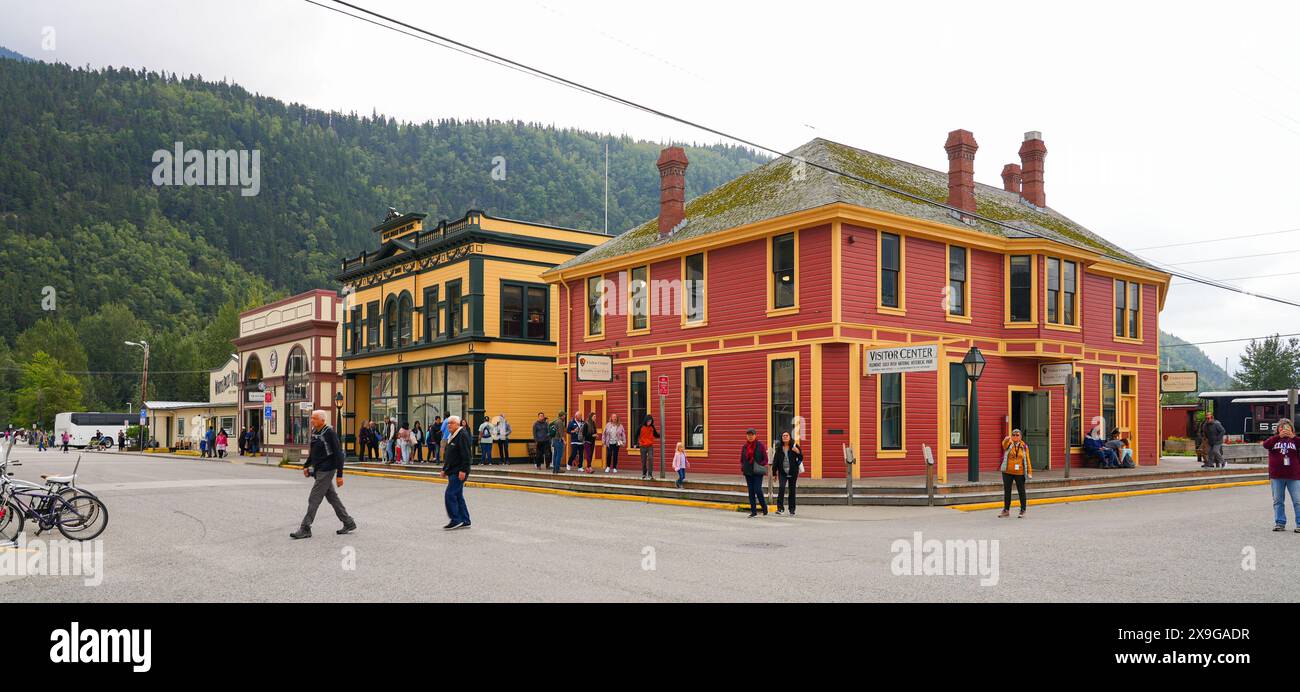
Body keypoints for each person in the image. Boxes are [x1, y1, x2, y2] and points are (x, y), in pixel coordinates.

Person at [290, 410, 356, 539]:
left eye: (314, 418)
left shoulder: (329, 433)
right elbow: (313, 452)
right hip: (319, 469)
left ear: (322, 420)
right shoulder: (315, 432)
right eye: (311, 418)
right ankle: (348, 522)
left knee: (314, 498)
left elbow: (339, 454)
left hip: (327, 470)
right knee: (332, 498)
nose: (311, 420)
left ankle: (305, 528)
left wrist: (340, 475)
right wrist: (306, 465)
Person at [1261, 419, 1300, 532]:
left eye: (1287, 427)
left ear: (1292, 429)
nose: (1285, 430)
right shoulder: (1273, 440)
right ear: (1278, 429)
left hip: (1294, 475)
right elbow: (1265, 445)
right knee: (1278, 501)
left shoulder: (1295, 440)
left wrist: (1293, 437)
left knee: (1297, 501)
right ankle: (1280, 523)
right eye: (1282, 428)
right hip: (1277, 476)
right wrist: (1278, 436)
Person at [441, 415, 472, 530]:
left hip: (458, 471)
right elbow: (450, 455)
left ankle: (456, 519)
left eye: (452, 423)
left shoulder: (462, 435)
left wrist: (463, 470)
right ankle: (465, 520)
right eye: (448, 423)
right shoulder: (452, 435)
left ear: (458, 424)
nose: (449, 425)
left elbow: (466, 455)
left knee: (450, 494)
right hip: (452, 470)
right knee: (458, 496)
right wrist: (445, 469)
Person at [999, 429, 1033, 518]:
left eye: (1017, 435)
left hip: (1020, 472)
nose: (1015, 436)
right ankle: (1006, 510)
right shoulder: (1009, 444)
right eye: (1013, 435)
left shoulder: (1024, 446)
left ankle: (1023, 509)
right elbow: (1003, 445)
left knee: (1021, 491)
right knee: (1007, 491)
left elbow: (1028, 460)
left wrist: (1029, 472)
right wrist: (1006, 439)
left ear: (1020, 436)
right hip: (1007, 471)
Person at [740, 428, 768, 517]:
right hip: (748, 471)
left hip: (757, 471)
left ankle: (764, 507)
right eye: (748, 435)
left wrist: (759, 465)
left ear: (755, 435)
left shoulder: (760, 445)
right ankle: (753, 511)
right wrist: (743, 466)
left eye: (752, 435)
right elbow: (742, 459)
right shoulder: (744, 446)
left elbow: (765, 459)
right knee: (751, 491)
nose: (750, 436)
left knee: (757, 489)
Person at [773, 430, 802, 516]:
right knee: (781, 488)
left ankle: (792, 510)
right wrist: (774, 473)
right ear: (782, 438)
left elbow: (801, 457)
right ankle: (780, 508)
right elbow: (775, 461)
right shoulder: (779, 448)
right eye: (783, 436)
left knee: (792, 491)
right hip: (782, 472)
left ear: (790, 437)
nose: (785, 437)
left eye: (787, 436)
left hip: (793, 472)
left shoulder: (794, 446)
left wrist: (797, 452)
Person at [637, 415, 660, 479]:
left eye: (650, 421)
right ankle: (644, 473)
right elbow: (636, 434)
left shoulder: (652, 427)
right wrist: (636, 443)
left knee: (650, 459)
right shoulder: (641, 427)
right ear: (646, 421)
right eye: (648, 421)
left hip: (650, 446)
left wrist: (660, 435)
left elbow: (655, 434)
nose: (649, 423)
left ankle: (650, 474)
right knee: (643, 460)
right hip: (642, 446)